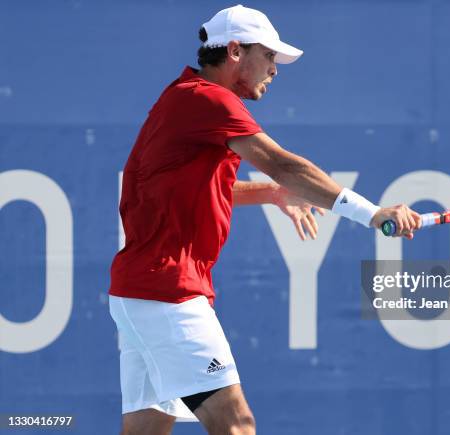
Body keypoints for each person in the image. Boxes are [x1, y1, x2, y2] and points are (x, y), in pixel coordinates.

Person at [108, 4, 421, 435]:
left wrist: (270, 193)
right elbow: (284, 164)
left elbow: (186, 191)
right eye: (269, 56)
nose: (274, 69)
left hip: (139, 293)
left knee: (146, 430)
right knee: (237, 425)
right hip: (168, 293)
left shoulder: (182, 97)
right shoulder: (208, 100)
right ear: (235, 51)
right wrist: (373, 214)